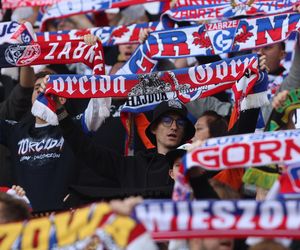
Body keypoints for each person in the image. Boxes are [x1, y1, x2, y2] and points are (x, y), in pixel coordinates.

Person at [42, 94, 195, 201]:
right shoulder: (131, 165)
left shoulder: (193, 165)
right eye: (167, 120)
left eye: (180, 123)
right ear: (153, 128)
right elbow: (86, 149)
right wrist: (61, 112)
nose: (174, 127)